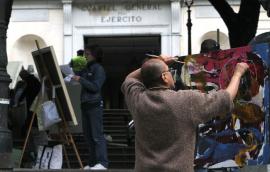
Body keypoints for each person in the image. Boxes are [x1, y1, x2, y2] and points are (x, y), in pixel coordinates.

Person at [121, 55, 249, 172]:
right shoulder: (187, 101)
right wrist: (237, 74)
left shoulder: (137, 99)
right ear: (164, 77)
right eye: (169, 71)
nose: (172, 74)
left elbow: (129, 78)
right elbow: (225, 98)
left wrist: (158, 63)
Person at [72, 44, 108, 170]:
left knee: (97, 135)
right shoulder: (86, 68)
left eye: (87, 54)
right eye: (85, 54)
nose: (85, 57)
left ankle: (102, 163)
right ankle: (93, 163)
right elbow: (74, 70)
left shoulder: (99, 69)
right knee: (88, 136)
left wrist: (81, 79)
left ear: (95, 55)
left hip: (94, 105)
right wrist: (78, 57)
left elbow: (95, 87)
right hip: (85, 105)